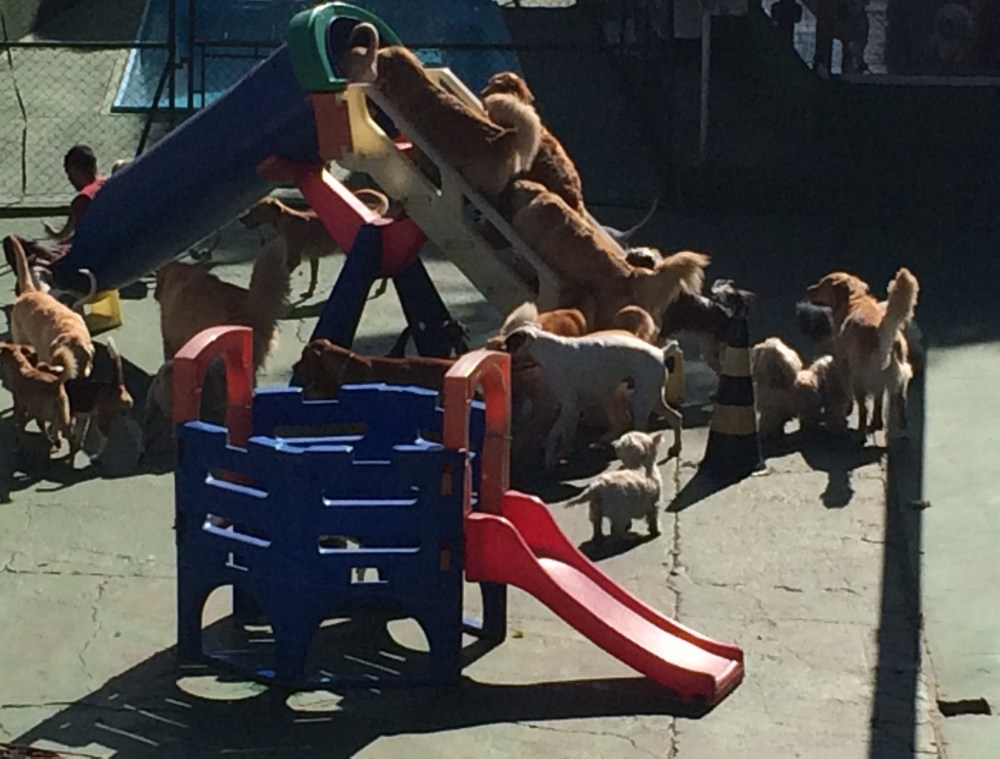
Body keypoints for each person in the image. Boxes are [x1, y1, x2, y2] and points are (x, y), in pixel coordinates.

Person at [3, 145, 107, 291]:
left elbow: (83, 247)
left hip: (79, 267)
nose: (69, 179)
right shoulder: (107, 185)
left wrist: (52, 259)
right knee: (32, 250)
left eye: (68, 173)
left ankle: (32, 285)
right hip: (105, 260)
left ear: (74, 169)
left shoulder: (83, 199)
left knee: (12, 243)